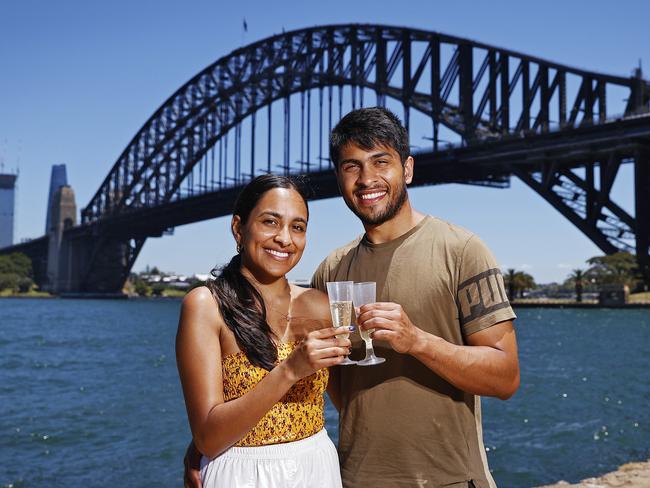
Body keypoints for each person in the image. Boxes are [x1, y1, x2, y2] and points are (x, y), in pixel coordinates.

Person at [185, 107, 520, 488]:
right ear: (339, 178)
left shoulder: (462, 251)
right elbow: (316, 378)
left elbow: (506, 378)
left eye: (381, 162)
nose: (367, 179)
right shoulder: (330, 273)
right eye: (352, 166)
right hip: (352, 477)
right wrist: (203, 445)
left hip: (451, 479)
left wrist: (418, 341)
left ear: (407, 169)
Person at [176, 174, 348, 487]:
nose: (285, 238)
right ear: (238, 228)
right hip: (242, 475)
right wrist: (290, 370)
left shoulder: (321, 305)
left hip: (318, 468)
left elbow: (350, 402)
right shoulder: (205, 305)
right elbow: (208, 439)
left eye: (298, 227)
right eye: (271, 222)